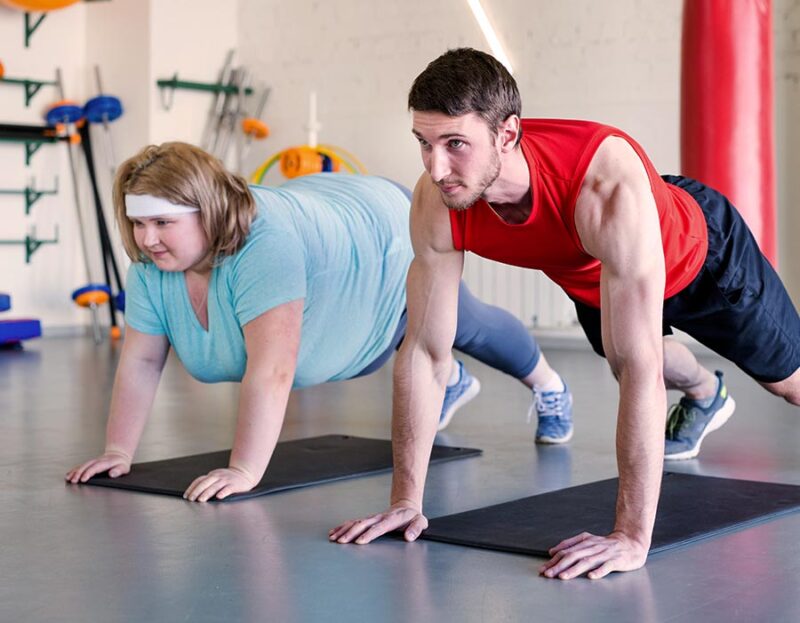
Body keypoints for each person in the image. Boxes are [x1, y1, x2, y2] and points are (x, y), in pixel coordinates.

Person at [330, 48, 800, 579]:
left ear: (507, 135)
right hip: (601, 275)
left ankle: (719, 390)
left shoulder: (603, 184)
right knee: (633, 356)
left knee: (787, 384)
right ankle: (704, 394)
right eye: (424, 144)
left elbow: (639, 367)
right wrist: (404, 501)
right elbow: (424, 351)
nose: (437, 168)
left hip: (701, 257)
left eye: (455, 144)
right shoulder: (439, 200)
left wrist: (629, 536)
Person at [65, 142, 572, 502]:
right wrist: (117, 450)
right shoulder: (153, 270)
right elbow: (141, 360)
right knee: (423, 341)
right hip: (330, 234)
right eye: (138, 223)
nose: (148, 239)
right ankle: (452, 381)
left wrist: (244, 469)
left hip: (380, 231)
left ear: (208, 212)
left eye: (163, 223)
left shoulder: (264, 246)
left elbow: (273, 371)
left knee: (464, 321)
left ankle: (549, 386)